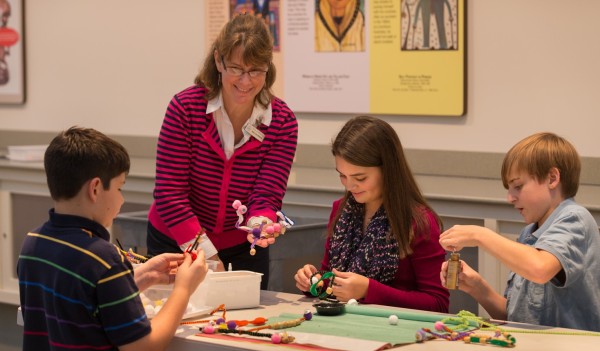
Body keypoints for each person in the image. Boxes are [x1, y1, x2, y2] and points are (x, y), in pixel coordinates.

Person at [17, 127, 208, 350]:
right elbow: (144, 346)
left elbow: (84, 304)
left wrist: (144, 276)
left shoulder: (32, 243)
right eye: (119, 188)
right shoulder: (103, 260)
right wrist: (183, 289)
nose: (122, 199)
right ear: (95, 188)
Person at [146, 13, 298, 290]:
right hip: (177, 240)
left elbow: (267, 192)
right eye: (236, 69)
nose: (245, 81)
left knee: (245, 327)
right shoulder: (186, 109)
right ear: (218, 61)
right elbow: (170, 195)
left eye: (256, 70)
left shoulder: (282, 121)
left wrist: (260, 221)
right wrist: (208, 256)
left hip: (242, 249)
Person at [439, 132, 600, 332]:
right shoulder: (528, 235)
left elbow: (540, 269)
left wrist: (481, 235)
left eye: (518, 186)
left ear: (552, 178)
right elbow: (515, 318)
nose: (510, 198)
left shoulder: (575, 218)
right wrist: (477, 287)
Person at [295, 116, 449, 313]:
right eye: (342, 175)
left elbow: (438, 303)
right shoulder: (342, 210)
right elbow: (331, 283)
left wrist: (368, 290)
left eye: (360, 177)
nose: (349, 186)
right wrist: (314, 282)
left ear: (388, 170)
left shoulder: (419, 221)